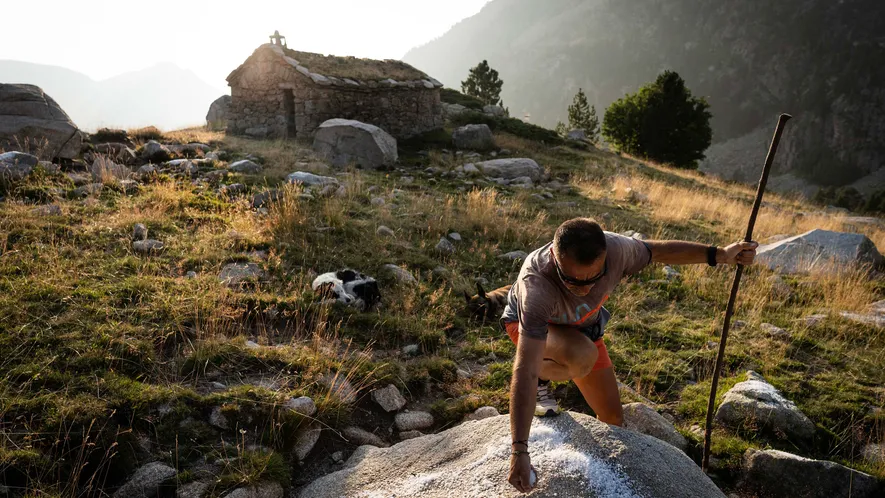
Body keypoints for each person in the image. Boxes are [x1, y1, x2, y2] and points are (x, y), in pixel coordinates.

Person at [503, 217, 758, 493]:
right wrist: (519, 451)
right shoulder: (537, 286)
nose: (586, 289)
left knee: (612, 417)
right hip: (529, 328)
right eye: (573, 282)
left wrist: (721, 254)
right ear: (554, 257)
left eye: (595, 278)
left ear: (605, 259)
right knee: (582, 356)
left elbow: (658, 251)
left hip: (584, 329)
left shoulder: (617, 249)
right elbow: (524, 369)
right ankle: (544, 379)